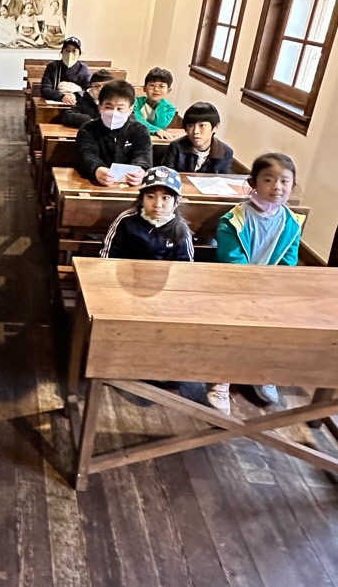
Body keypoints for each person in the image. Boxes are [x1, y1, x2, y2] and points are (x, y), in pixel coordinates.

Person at [207, 152, 305, 416]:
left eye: (284, 181)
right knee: (235, 326)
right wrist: (252, 290)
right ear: (253, 183)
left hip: (270, 289)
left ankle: (261, 372)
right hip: (234, 287)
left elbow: (289, 261)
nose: (277, 187)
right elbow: (232, 261)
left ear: (293, 185)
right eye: (268, 180)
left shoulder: (292, 223)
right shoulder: (234, 220)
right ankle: (222, 379)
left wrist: (271, 290)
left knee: (278, 326)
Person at [100, 167, 194, 261]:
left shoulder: (180, 228)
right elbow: (108, 256)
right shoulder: (125, 220)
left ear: (177, 202)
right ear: (142, 198)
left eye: (165, 198)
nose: (157, 205)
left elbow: (185, 264)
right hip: (127, 269)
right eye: (150, 196)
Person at [75, 79, 152, 187]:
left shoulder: (140, 130)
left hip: (129, 185)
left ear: (130, 110)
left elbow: (143, 156)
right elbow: (86, 154)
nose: (114, 113)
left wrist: (140, 172)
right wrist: (97, 169)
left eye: (120, 108)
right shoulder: (88, 129)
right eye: (108, 107)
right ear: (100, 106)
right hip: (94, 184)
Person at [165, 102, 234, 173]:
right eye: (190, 126)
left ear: (215, 127)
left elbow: (222, 178)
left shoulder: (225, 152)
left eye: (202, 125)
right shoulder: (176, 147)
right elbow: (166, 175)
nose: (196, 131)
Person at [40, 35, 92, 103]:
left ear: (79, 54)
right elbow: (45, 89)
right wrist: (61, 96)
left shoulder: (83, 69)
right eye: (67, 50)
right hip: (55, 102)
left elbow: (90, 89)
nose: (70, 54)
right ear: (62, 52)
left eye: (74, 51)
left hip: (77, 103)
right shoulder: (52, 67)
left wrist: (76, 95)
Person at [133, 67, 178, 139]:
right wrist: (156, 130)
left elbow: (160, 125)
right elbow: (137, 121)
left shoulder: (170, 108)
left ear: (168, 90)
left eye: (161, 86)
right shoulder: (136, 102)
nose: (156, 89)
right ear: (144, 88)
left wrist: (161, 103)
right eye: (152, 85)